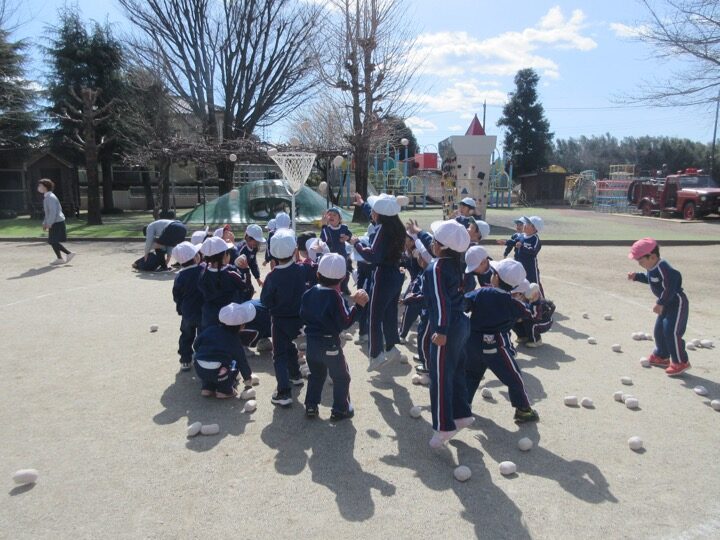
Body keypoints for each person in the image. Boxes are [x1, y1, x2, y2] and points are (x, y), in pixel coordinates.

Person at [464, 259, 540, 424]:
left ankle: (462, 408)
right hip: (496, 347)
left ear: (496, 278)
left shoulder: (481, 292)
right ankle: (523, 410)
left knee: (471, 375)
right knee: (514, 377)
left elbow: (463, 304)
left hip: (473, 343)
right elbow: (532, 315)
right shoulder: (513, 303)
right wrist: (535, 301)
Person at [423, 219, 473, 449]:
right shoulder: (457, 263)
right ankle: (462, 414)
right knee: (457, 369)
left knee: (440, 376)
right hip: (462, 323)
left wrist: (441, 330)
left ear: (440, 246)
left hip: (447, 327)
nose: (431, 243)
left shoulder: (436, 267)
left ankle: (443, 427)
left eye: (433, 240)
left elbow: (441, 302)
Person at [301, 253, 369, 420]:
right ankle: (340, 409)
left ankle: (311, 405)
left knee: (316, 375)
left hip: (312, 344)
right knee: (341, 377)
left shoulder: (309, 293)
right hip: (330, 345)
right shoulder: (335, 297)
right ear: (343, 278)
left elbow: (303, 313)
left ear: (318, 274)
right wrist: (358, 307)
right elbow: (345, 321)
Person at [351, 194, 406, 371]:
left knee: (374, 316)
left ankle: (376, 354)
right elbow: (377, 220)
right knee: (390, 313)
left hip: (383, 274)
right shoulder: (397, 226)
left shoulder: (383, 230)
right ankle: (391, 347)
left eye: (373, 210)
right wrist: (363, 205)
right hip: (396, 275)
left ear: (379, 213)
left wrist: (356, 243)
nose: (372, 213)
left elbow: (373, 256)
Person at [260, 228, 311, 407]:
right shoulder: (301, 270)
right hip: (299, 319)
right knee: (290, 347)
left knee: (279, 354)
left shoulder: (272, 277)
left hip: (279, 319)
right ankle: (295, 375)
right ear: (294, 250)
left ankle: (283, 391)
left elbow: (265, 300)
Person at [627, 237, 690, 376]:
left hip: (676, 303)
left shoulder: (664, 267)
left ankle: (681, 361)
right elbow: (652, 279)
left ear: (653, 256)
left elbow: (670, 286)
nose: (639, 264)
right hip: (666, 304)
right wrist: (637, 277)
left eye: (641, 261)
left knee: (671, 332)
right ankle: (662, 356)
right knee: (659, 331)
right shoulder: (652, 267)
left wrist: (660, 303)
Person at [193, 302, 257, 398]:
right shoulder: (234, 340)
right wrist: (247, 378)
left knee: (209, 372)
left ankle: (207, 388)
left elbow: (196, 344)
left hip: (200, 367)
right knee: (234, 364)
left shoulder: (210, 330)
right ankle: (225, 391)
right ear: (241, 326)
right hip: (220, 372)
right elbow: (241, 361)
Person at [198, 236, 251, 329]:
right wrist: (246, 270)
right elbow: (245, 287)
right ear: (224, 255)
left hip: (209, 316)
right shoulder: (231, 272)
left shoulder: (203, 274)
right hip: (229, 316)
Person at [171, 241, 204, 371]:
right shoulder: (203, 270)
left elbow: (176, 295)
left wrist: (180, 307)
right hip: (202, 310)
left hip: (187, 312)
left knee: (186, 335)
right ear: (196, 257)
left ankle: (185, 359)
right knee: (203, 334)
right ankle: (202, 356)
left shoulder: (179, 276)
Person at [37, 179, 75, 265]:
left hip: (56, 222)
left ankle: (68, 253)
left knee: (53, 241)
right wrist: (45, 223)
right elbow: (48, 213)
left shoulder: (50, 197)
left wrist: (49, 223)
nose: (38, 188)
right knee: (52, 241)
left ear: (45, 187)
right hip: (55, 221)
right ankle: (60, 258)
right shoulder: (48, 196)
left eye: (40, 186)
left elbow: (53, 212)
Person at [320, 208, 353, 294]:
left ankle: (344, 286)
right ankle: (331, 287)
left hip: (342, 253)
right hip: (330, 254)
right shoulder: (326, 229)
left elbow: (349, 235)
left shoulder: (344, 227)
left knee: (345, 271)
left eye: (334, 215)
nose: (331, 216)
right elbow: (326, 239)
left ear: (339, 219)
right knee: (331, 271)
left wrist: (347, 238)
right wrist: (324, 226)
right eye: (329, 214)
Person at [514, 283, 555, 348]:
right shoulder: (527, 299)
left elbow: (535, 318)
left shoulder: (538, 305)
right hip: (531, 317)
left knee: (531, 324)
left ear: (536, 295)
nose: (530, 300)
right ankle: (523, 336)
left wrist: (523, 318)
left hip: (543, 321)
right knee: (515, 321)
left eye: (531, 299)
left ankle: (536, 340)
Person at [515, 215, 544, 295]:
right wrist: (506, 242)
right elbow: (514, 242)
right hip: (521, 266)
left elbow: (534, 251)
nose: (524, 224)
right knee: (520, 285)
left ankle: (542, 304)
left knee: (534, 285)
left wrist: (522, 247)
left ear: (534, 228)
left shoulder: (535, 239)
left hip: (531, 268)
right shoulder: (522, 236)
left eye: (528, 223)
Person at [235, 224, 266, 289]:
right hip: (237, 274)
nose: (257, 243)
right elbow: (237, 267)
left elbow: (253, 264)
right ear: (248, 238)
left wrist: (258, 279)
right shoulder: (241, 250)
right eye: (255, 240)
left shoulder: (254, 248)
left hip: (244, 272)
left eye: (258, 241)